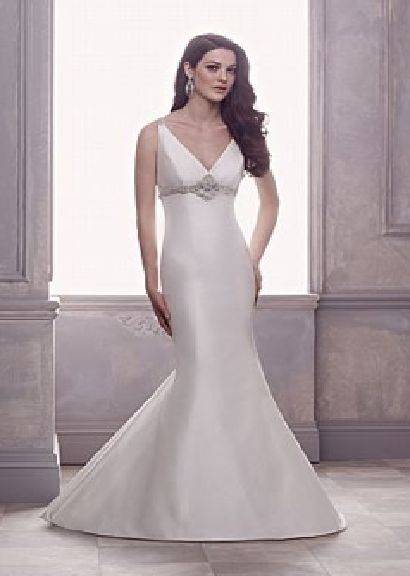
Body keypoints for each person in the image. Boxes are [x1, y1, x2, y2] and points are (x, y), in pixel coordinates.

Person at [40, 33, 347, 541]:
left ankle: (243, 494)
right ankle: (181, 500)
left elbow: (271, 204)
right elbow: (144, 213)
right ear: (189, 70)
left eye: (231, 70)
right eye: (212, 67)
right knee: (199, 368)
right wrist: (151, 277)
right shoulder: (154, 135)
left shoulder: (243, 133)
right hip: (183, 268)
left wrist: (252, 261)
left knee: (235, 371)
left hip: (231, 268)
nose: (223, 78)